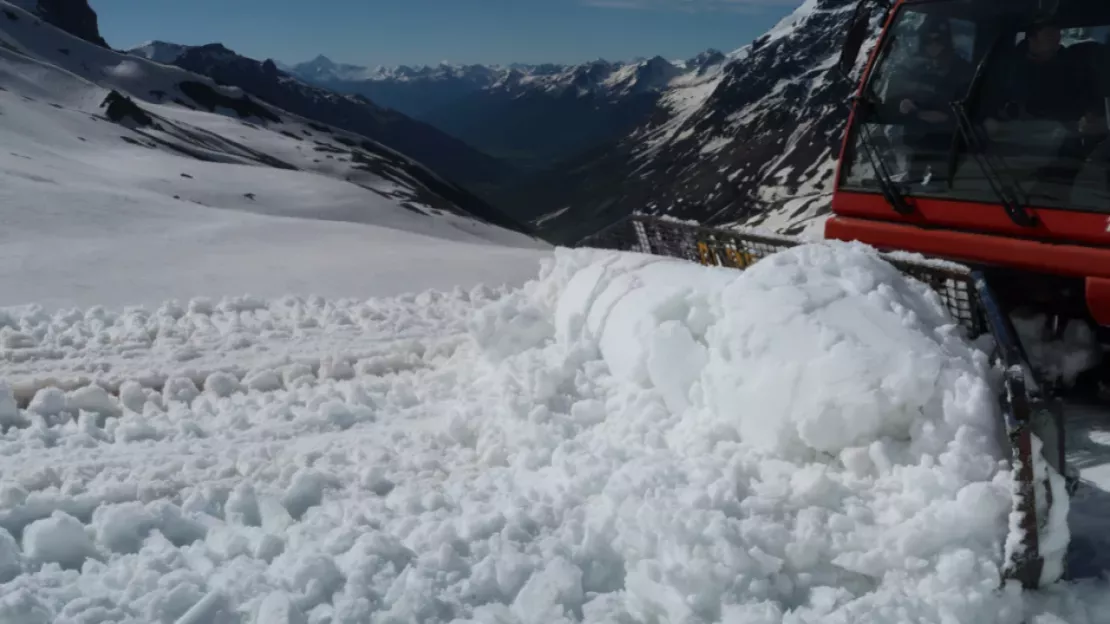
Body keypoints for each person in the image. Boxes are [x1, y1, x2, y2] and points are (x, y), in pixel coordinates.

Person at [884, 17, 974, 184]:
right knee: (912, 187)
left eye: (938, 39)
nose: (932, 45)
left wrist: (923, 113)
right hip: (918, 145)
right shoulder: (914, 68)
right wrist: (902, 104)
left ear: (947, 41)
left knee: (945, 187)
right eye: (927, 39)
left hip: (950, 147)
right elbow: (894, 99)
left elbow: (961, 114)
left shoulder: (963, 72)